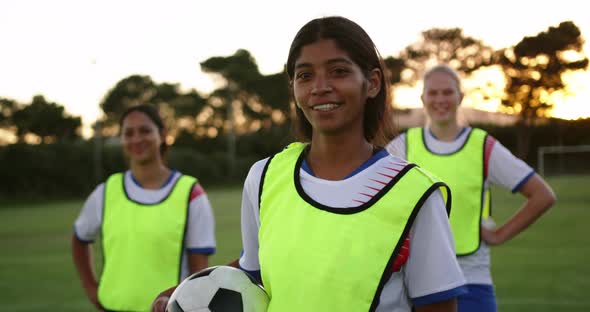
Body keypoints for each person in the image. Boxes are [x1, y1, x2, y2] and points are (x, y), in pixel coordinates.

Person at [152, 16, 466, 312]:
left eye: (338, 71)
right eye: (305, 75)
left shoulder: (414, 193)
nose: (320, 86)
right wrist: (184, 292)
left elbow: (437, 306)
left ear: (372, 83)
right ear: (294, 88)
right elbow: (254, 271)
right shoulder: (264, 177)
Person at [386, 64, 556, 312]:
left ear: (460, 97)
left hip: (472, 279)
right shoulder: (403, 147)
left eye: (447, 92)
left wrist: (499, 235)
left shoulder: (482, 146)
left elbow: (542, 195)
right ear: (423, 99)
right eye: (433, 93)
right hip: (418, 282)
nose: (440, 99)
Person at [72, 104, 216, 311]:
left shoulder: (190, 193)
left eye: (145, 130)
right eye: (128, 133)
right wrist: (91, 289)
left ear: (163, 134)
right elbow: (79, 239)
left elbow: (198, 272)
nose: (137, 139)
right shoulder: (105, 192)